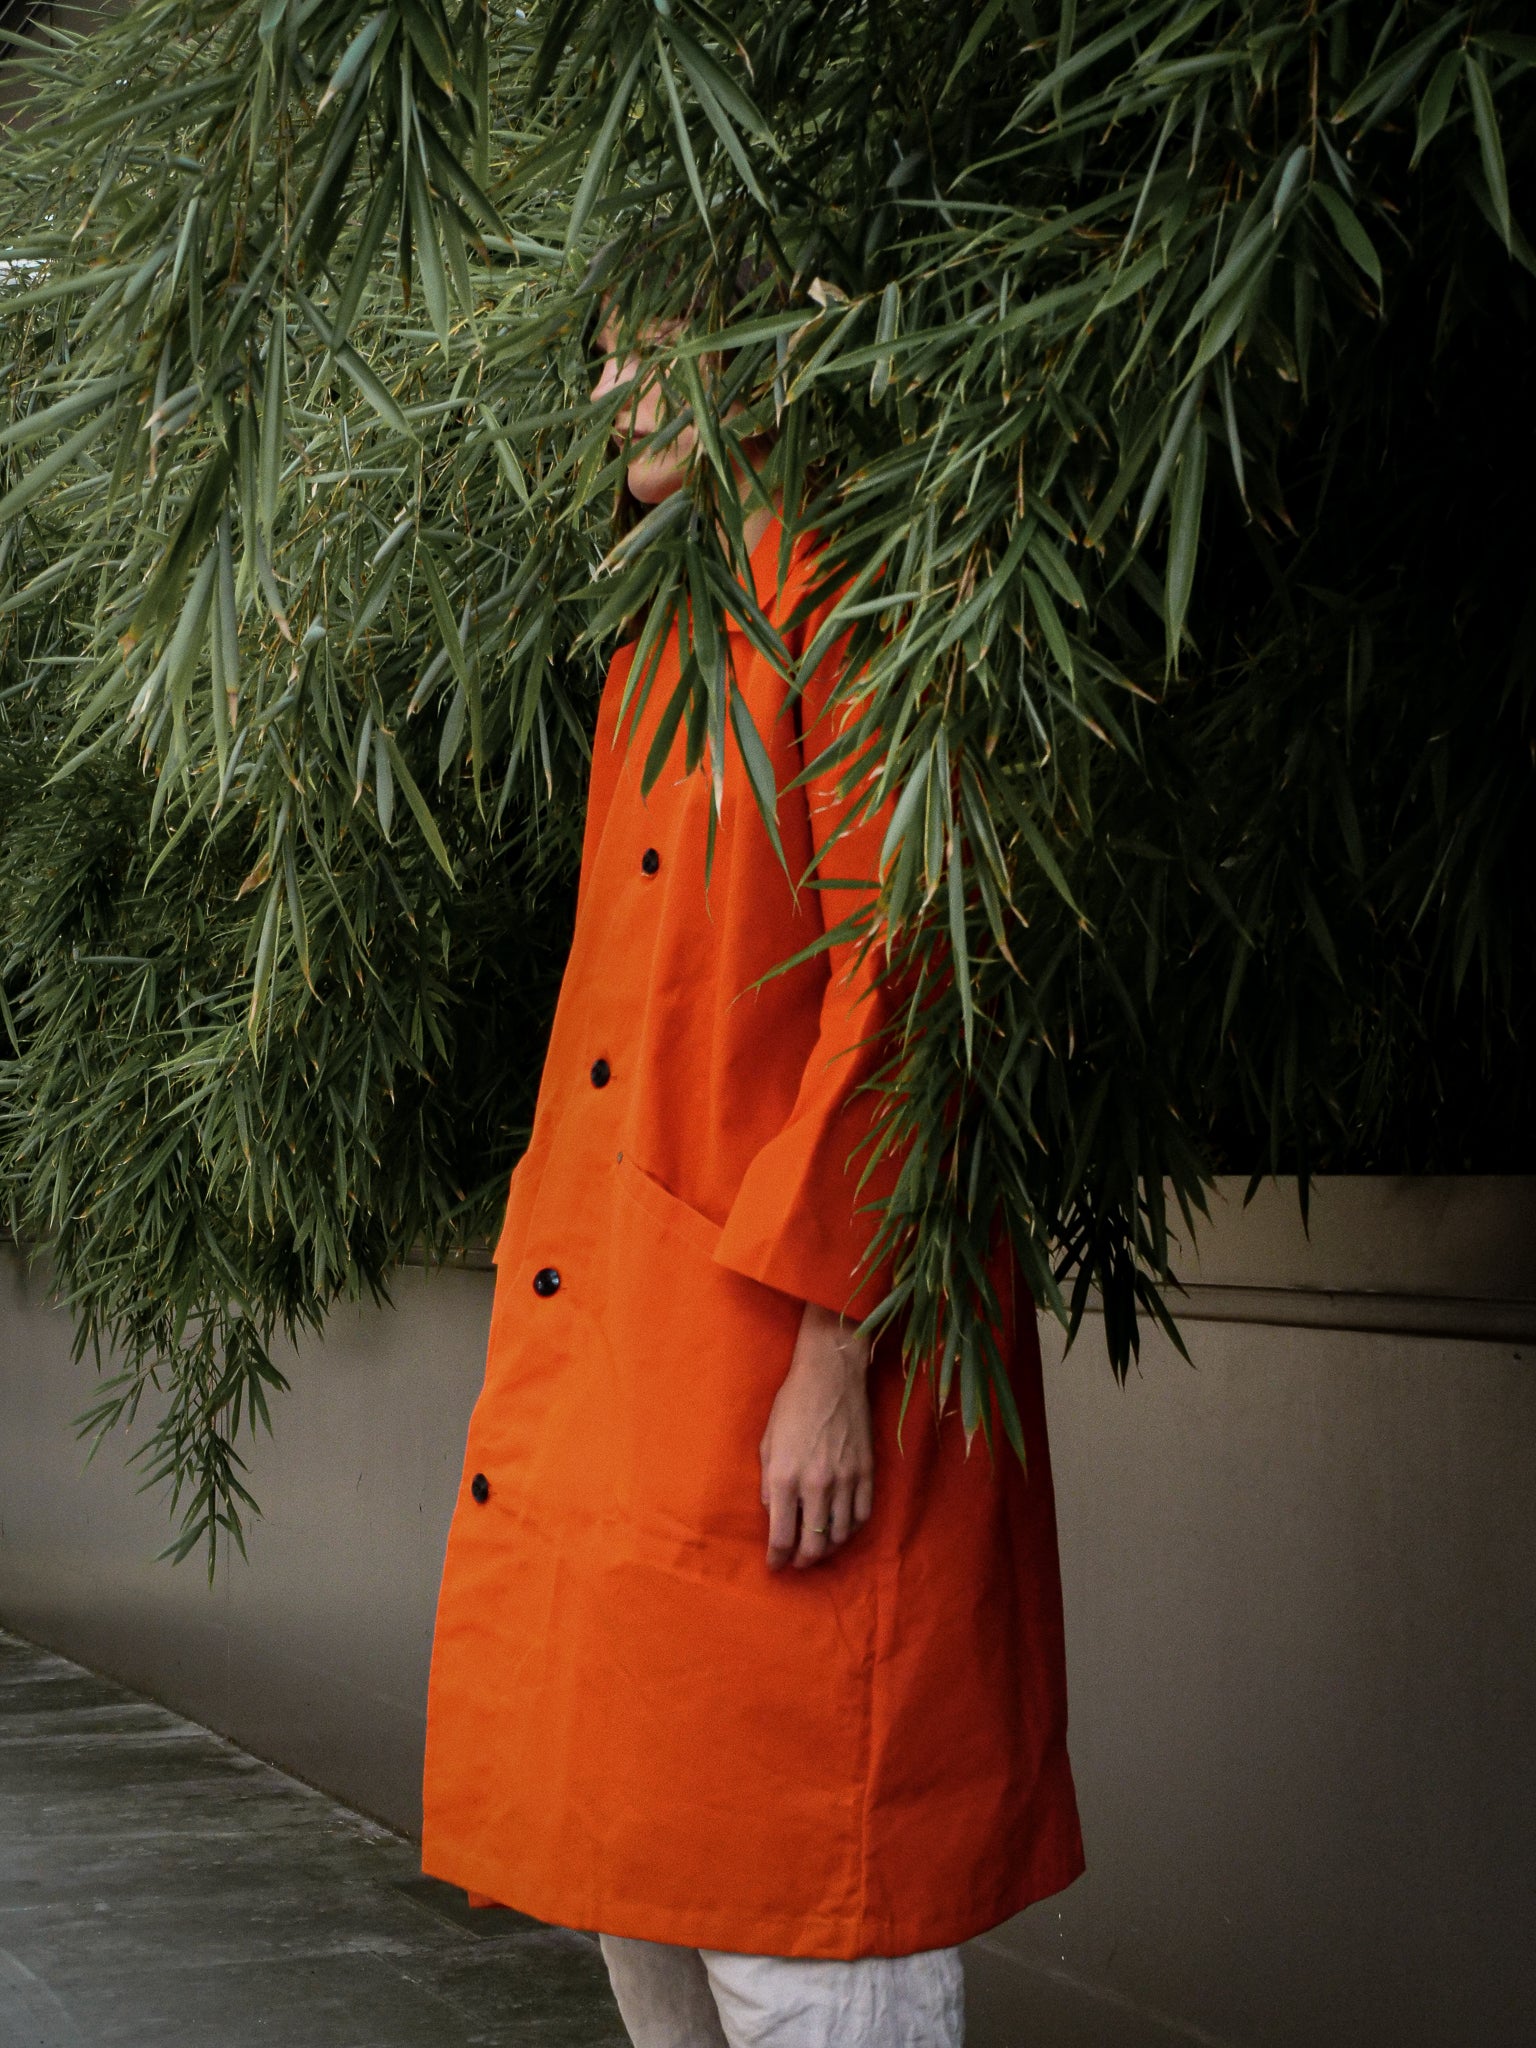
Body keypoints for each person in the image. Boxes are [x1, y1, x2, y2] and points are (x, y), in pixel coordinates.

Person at [421, 300, 1084, 2048]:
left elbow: (916, 973)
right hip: (636, 1366)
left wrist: (833, 1350)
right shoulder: (678, 611)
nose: (607, 386)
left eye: (645, 341)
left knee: (809, 1918)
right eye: (600, 350)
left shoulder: (858, 572)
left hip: (789, 1362)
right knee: (630, 1871)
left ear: (773, 335)